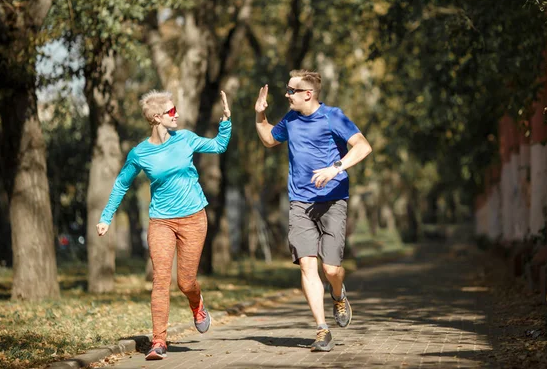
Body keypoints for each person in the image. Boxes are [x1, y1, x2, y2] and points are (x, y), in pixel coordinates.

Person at [96, 90, 231, 360]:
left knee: (186, 281)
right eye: (172, 111)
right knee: (160, 279)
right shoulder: (140, 153)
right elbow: (122, 183)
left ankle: (197, 303)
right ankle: (159, 341)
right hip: (161, 221)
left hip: (194, 218)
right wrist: (106, 216)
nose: (177, 114)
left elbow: (218, 146)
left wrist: (225, 121)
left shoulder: (186, 139)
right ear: (157, 117)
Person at [254, 70, 372, 352]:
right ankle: (321, 329)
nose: (286, 94)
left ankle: (338, 293)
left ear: (308, 94)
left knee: (331, 269)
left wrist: (335, 169)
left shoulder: (333, 116)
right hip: (300, 203)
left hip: (333, 200)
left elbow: (363, 146)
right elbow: (270, 139)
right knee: (308, 265)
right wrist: (260, 115)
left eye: (291, 90)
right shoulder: (291, 119)